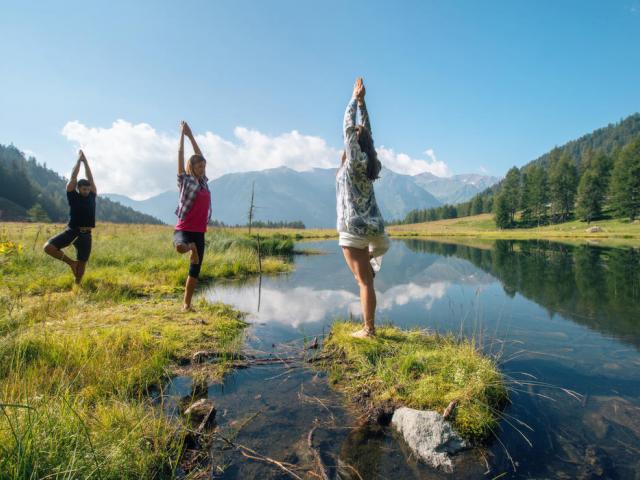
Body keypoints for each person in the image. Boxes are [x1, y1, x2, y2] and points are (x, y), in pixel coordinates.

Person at [336, 77, 390, 338]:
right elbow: (365, 131)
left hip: (353, 230)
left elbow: (349, 127)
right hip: (376, 231)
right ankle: (368, 323)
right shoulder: (369, 161)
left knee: (364, 281)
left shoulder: (354, 160)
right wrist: (363, 102)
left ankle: (369, 330)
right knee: (367, 277)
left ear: (353, 145)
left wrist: (353, 99)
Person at [174, 120, 212, 311]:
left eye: (204, 167)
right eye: (199, 167)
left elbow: (200, 155)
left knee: (194, 271)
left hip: (199, 231)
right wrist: (182, 135)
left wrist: (191, 136)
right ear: (192, 167)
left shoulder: (204, 182)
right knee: (180, 247)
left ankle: (186, 305)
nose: (203, 170)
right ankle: (191, 248)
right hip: (184, 228)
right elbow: (181, 155)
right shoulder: (184, 180)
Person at [43, 150, 97, 284]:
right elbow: (73, 177)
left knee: (83, 262)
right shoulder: (72, 195)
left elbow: (90, 178)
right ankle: (71, 263)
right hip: (72, 231)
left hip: (86, 235)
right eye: (84, 189)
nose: (86, 191)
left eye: (88, 189)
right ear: (78, 188)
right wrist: (79, 161)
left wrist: (86, 162)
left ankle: (77, 285)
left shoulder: (92, 195)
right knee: (48, 248)